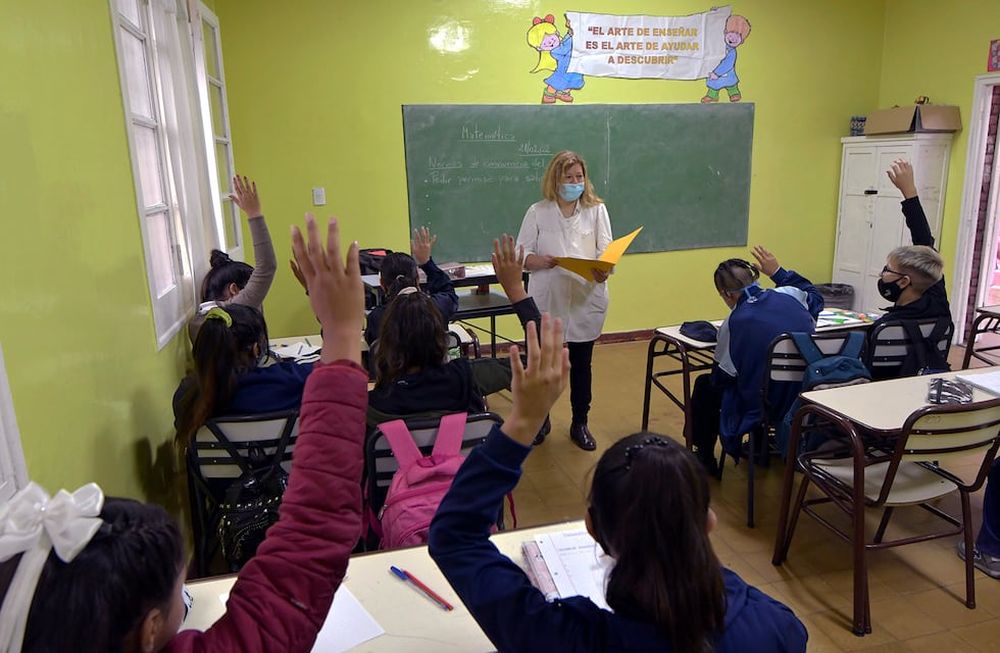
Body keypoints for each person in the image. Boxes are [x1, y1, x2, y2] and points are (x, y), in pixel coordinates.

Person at [0, 214, 367, 653]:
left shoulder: (189, 401)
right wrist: (342, 333)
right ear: (150, 630)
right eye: (181, 590)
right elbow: (315, 529)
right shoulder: (292, 381)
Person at [428, 314, 808, 653]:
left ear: (593, 528)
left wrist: (524, 421)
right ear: (708, 521)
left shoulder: (563, 637)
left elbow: (455, 538)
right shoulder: (776, 628)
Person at [368, 235, 543, 421]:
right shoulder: (466, 377)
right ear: (442, 340)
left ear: (384, 346)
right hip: (462, 449)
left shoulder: (373, 405)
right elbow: (541, 361)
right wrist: (516, 290)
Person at [690, 247, 823, 475]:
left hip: (764, 405)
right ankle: (761, 442)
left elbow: (723, 377)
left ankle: (704, 456)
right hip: (805, 395)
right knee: (761, 375)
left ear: (727, 294)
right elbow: (816, 298)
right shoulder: (791, 294)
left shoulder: (733, 322)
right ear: (756, 278)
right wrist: (779, 272)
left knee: (706, 386)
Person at [517, 150, 612, 451]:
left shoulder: (597, 210)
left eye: (579, 177)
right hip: (549, 298)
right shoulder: (538, 212)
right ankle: (541, 420)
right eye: (568, 177)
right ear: (555, 179)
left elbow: (606, 251)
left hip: (585, 298)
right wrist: (537, 260)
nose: (574, 182)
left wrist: (603, 269)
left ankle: (579, 422)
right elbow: (520, 254)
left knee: (582, 365)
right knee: (545, 365)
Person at [173, 303, 312, 447]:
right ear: (256, 349)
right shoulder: (295, 381)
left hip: (216, 469)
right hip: (288, 469)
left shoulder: (186, 396)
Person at [869, 160, 952, 375]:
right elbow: (924, 242)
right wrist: (909, 192)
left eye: (887, 270)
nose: (882, 274)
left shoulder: (887, 327)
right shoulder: (938, 303)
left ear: (904, 281)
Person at [188, 176, 277, 343]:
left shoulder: (203, 317)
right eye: (250, 287)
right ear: (234, 289)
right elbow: (267, 267)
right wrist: (254, 214)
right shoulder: (235, 309)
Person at [364, 227, 457, 347]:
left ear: (382, 284)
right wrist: (426, 263)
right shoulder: (435, 308)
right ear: (417, 279)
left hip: (396, 366)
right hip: (433, 366)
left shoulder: (377, 318)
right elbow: (447, 291)